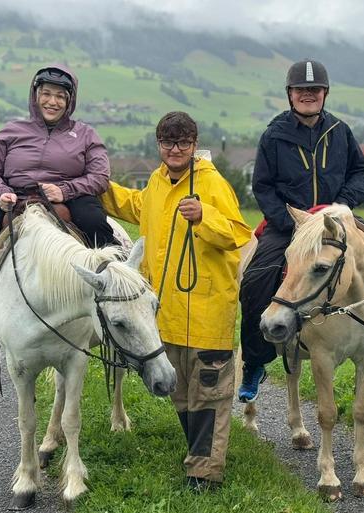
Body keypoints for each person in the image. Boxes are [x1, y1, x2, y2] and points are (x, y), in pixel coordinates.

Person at [238, 59, 364, 403]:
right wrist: (292, 223)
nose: (308, 95)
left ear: (325, 94)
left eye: (314, 90)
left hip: (338, 221)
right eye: (301, 90)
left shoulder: (340, 131)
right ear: (290, 94)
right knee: (257, 279)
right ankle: (256, 361)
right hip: (292, 223)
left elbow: (360, 173)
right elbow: (262, 186)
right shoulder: (274, 135)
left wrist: (345, 204)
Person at [100, 112, 251, 491]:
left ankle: (204, 472)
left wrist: (205, 216)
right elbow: (136, 206)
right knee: (181, 392)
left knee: (209, 393)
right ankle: (200, 457)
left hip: (206, 310)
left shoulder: (212, 184)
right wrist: (96, 186)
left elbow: (238, 233)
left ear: (194, 144)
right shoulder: (156, 182)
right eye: (168, 143)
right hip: (166, 314)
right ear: (159, 145)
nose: (176, 149)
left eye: (183, 142)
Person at [0, 65, 116, 358]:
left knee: (96, 225)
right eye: (46, 93)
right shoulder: (11, 132)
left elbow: (100, 176)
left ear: (70, 101)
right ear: (35, 96)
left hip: (68, 198)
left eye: (60, 96)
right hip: (16, 199)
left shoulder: (86, 135)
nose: (52, 101)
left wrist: (66, 191)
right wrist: (1, 194)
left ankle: (120, 306)